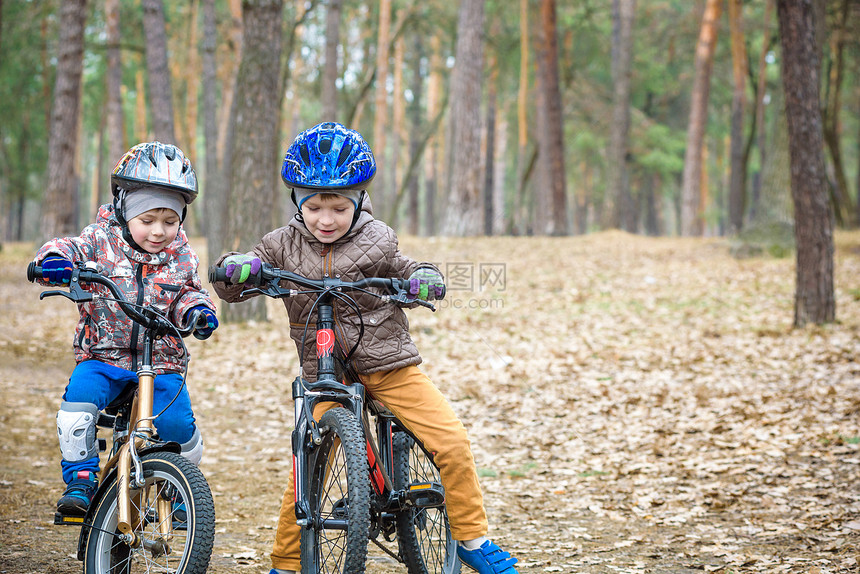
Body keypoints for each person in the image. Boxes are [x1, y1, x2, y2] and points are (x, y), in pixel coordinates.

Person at [212, 122, 519, 574]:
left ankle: (471, 538)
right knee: (307, 466)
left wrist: (423, 279)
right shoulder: (281, 244)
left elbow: (408, 266)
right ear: (297, 201)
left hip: (388, 364)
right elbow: (238, 276)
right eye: (314, 206)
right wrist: (237, 269)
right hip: (326, 374)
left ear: (358, 201)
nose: (325, 219)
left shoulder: (379, 238)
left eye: (338, 207)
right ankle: (286, 563)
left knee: (450, 442)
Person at [33, 141, 218, 518]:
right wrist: (55, 262)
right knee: (77, 407)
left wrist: (197, 312)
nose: (158, 231)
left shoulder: (181, 255)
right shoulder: (100, 241)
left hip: (162, 362)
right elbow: (67, 246)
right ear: (124, 210)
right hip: (103, 356)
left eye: (170, 221)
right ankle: (81, 480)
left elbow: (188, 292)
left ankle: (179, 487)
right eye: (147, 219)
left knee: (179, 426)